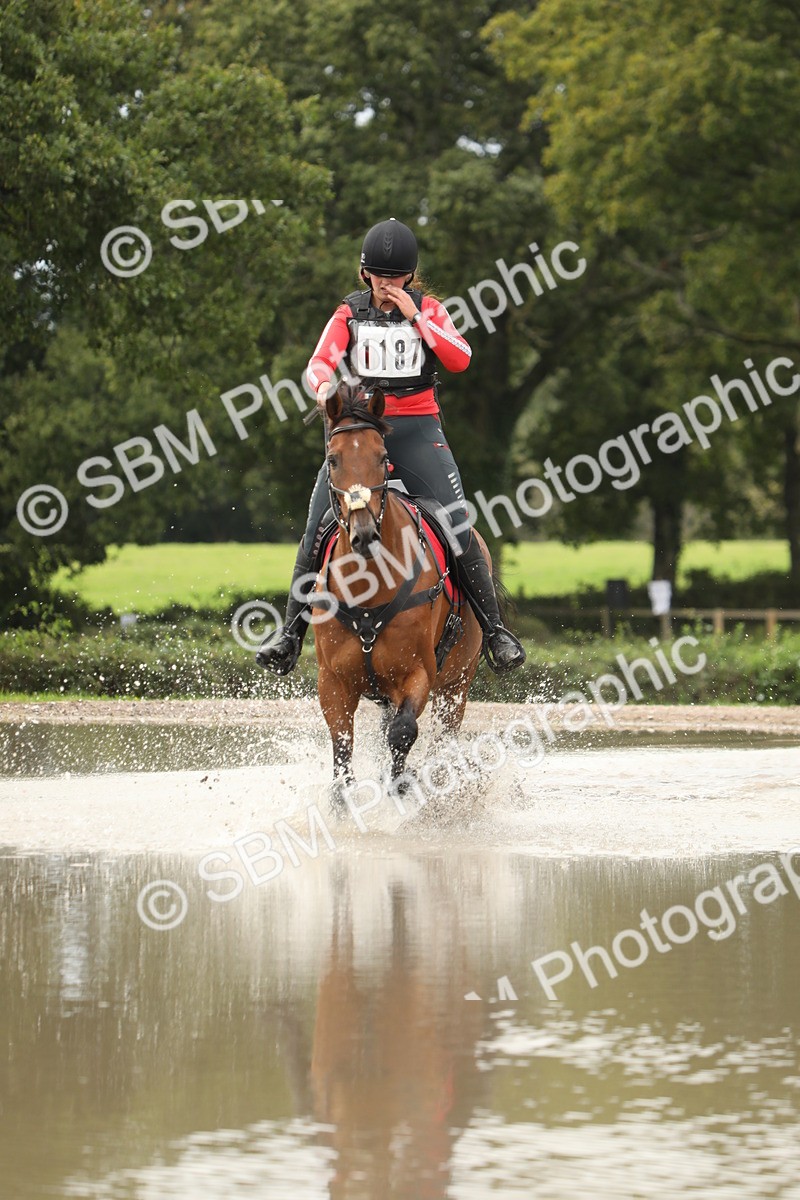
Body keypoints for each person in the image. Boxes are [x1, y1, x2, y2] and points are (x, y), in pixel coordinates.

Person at [256, 218, 526, 675]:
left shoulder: (431, 310)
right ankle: (289, 636)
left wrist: (416, 316)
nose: (387, 285)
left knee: (457, 525)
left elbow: (460, 358)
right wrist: (323, 387)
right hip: (362, 434)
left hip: (418, 429)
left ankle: (496, 633)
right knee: (316, 528)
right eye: (379, 277)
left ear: (409, 276)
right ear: (366, 275)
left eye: (395, 278)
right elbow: (318, 363)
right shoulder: (348, 313)